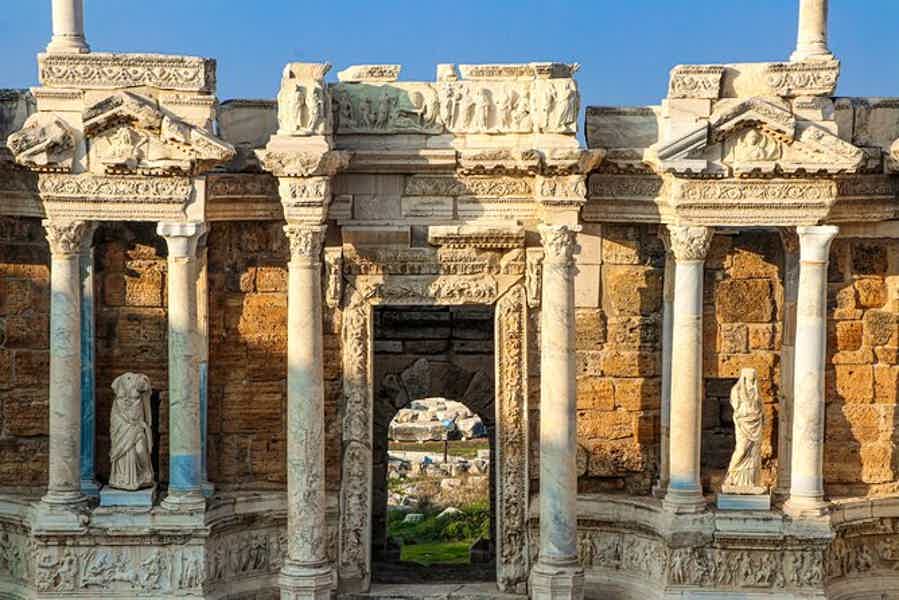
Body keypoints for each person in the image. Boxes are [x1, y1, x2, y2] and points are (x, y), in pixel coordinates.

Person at [109, 372, 154, 490]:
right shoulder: (118, 383)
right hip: (122, 424)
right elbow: (115, 412)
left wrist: (143, 381)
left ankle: (145, 473)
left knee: (140, 450)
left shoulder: (139, 382)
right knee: (122, 452)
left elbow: (146, 389)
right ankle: (121, 477)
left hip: (137, 425)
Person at [723, 368, 763, 490]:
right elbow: (737, 409)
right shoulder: (737, 390)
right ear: (744, 377)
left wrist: (758, 414)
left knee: (753, 453)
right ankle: (731, 475)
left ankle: (750, 482)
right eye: (750, 377)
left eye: (754, 377)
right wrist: (747, 412)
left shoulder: (756, 391)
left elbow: (761, 408)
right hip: (743, 424)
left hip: (756, 424)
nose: (752, 379)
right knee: (741, 449)